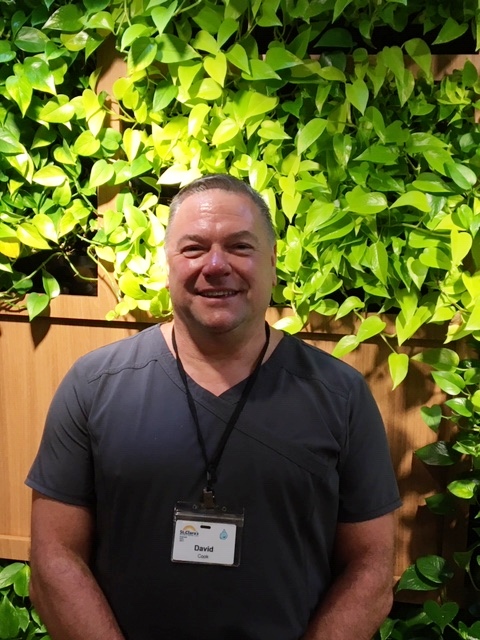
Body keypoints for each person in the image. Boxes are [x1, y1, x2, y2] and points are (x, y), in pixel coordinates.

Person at [26, 174, 401, 640]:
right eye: (194, 248)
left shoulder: (340, 395)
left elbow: (371, 566)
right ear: (168, 263)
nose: (217, 265)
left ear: (272, 262)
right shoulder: (93, 385)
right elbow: (54, 557)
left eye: (240, 247)